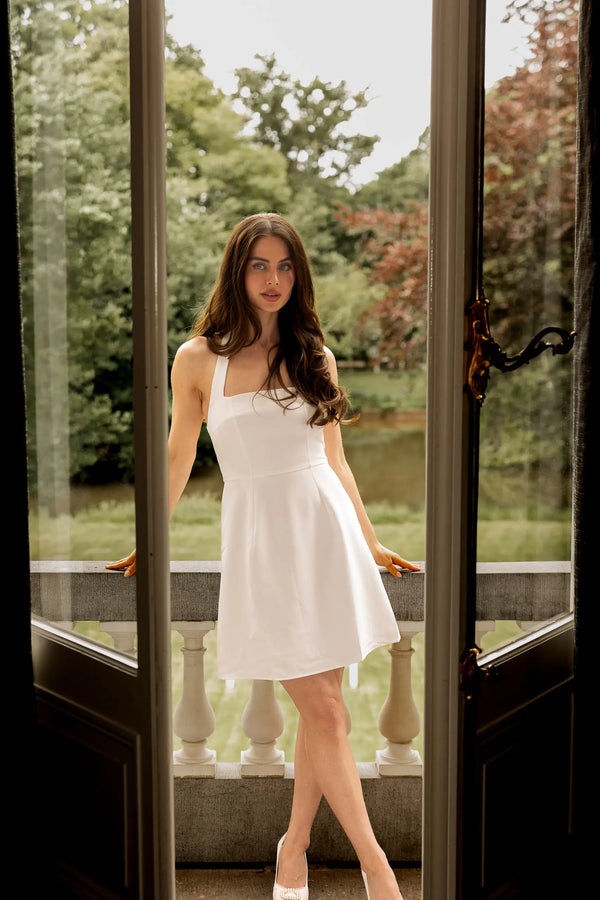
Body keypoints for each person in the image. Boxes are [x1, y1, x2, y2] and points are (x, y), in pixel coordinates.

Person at [108, 213, 419, 899]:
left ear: (297, 275)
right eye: (259, 266)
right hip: (263, 543)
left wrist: (368, 541)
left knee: (324, 709)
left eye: (284, 267)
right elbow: (178, 452)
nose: (273, 279)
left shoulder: (317, 356)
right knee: (328, 714)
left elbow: (335, 460)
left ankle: (294, 850)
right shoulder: (197, 360)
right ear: (237, 271)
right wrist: (149, 534)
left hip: (325, 535)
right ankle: (380, 872)